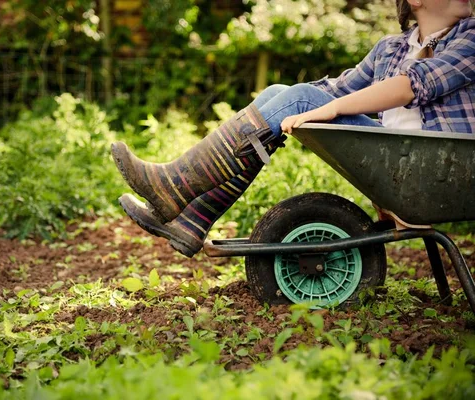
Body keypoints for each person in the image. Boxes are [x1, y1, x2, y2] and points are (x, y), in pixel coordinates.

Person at [112, 0, 475, 257]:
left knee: (300, 98)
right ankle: (193, 219)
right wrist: (290, 100)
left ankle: (175, 185)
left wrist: (318, 106)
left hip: (441, 170)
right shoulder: (391, 49)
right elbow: (336, 90)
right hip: (401, 163)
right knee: (281, 92)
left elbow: (413, 85)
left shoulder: (470, 39)